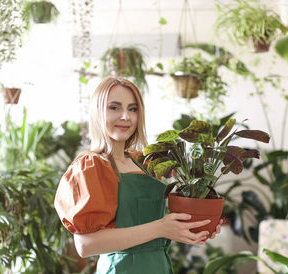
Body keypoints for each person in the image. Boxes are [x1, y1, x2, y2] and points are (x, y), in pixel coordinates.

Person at [54, 76, 222, 273]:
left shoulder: (144, 162)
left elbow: (153, 222)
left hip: (158, 266)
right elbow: (85, 245)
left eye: (132, 109)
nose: (125, 116)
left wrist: (195, 226)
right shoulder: (90, 167)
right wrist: (160, 228)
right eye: (114, 107)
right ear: (97, 112)